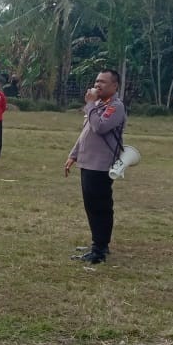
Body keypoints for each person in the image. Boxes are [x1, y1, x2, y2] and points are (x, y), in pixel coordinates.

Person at [65, 69, 126, 264]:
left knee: (100, 206)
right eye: (97, 81)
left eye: (103, 82)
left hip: (100, 165)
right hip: (87, 162)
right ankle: (98, 242)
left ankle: (99, 248)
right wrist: (73, 155)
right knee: (90, 206)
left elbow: (100, 127)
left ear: (114, 86)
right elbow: (87, 131)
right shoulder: (98, 104)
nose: (98, 85)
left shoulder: (115, 107)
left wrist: (90, 104)